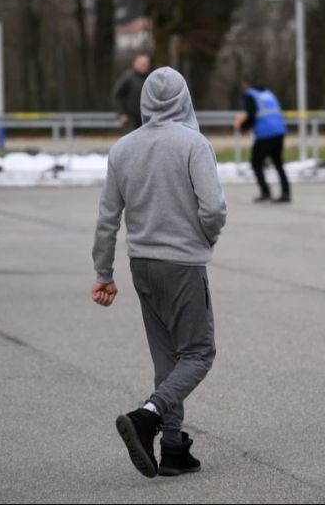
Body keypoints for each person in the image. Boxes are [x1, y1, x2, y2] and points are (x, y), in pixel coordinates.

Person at [91, 67, 227, 479]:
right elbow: (214, 209)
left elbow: (107, 218)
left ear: (144, 102)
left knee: (167, 356)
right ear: (184, 99)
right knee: (199, 353)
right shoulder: (193, 145)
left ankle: (172, 447)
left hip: (142, 266)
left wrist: (103, 271)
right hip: (183, 264)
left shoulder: (123, 149)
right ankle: (147, 416)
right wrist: (206, 238)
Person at [234, 79, 290, 203]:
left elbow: (252, 114)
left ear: (246, 85)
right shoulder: (269, 94)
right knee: (278, 163)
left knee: (256, 163)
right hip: (279, 131)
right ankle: (286, 193)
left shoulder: (249, 94)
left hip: (265, 133)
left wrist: (243, 127)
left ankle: (265, 192)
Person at [112, 53, 151, 133]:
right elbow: (116, 96)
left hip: (147, 117)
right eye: (141, 64)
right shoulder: (128, 77)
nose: (144, 66)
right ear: (135, 63)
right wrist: (121, 113)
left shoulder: (151, 77)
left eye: (146, 64)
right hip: (131, 118)